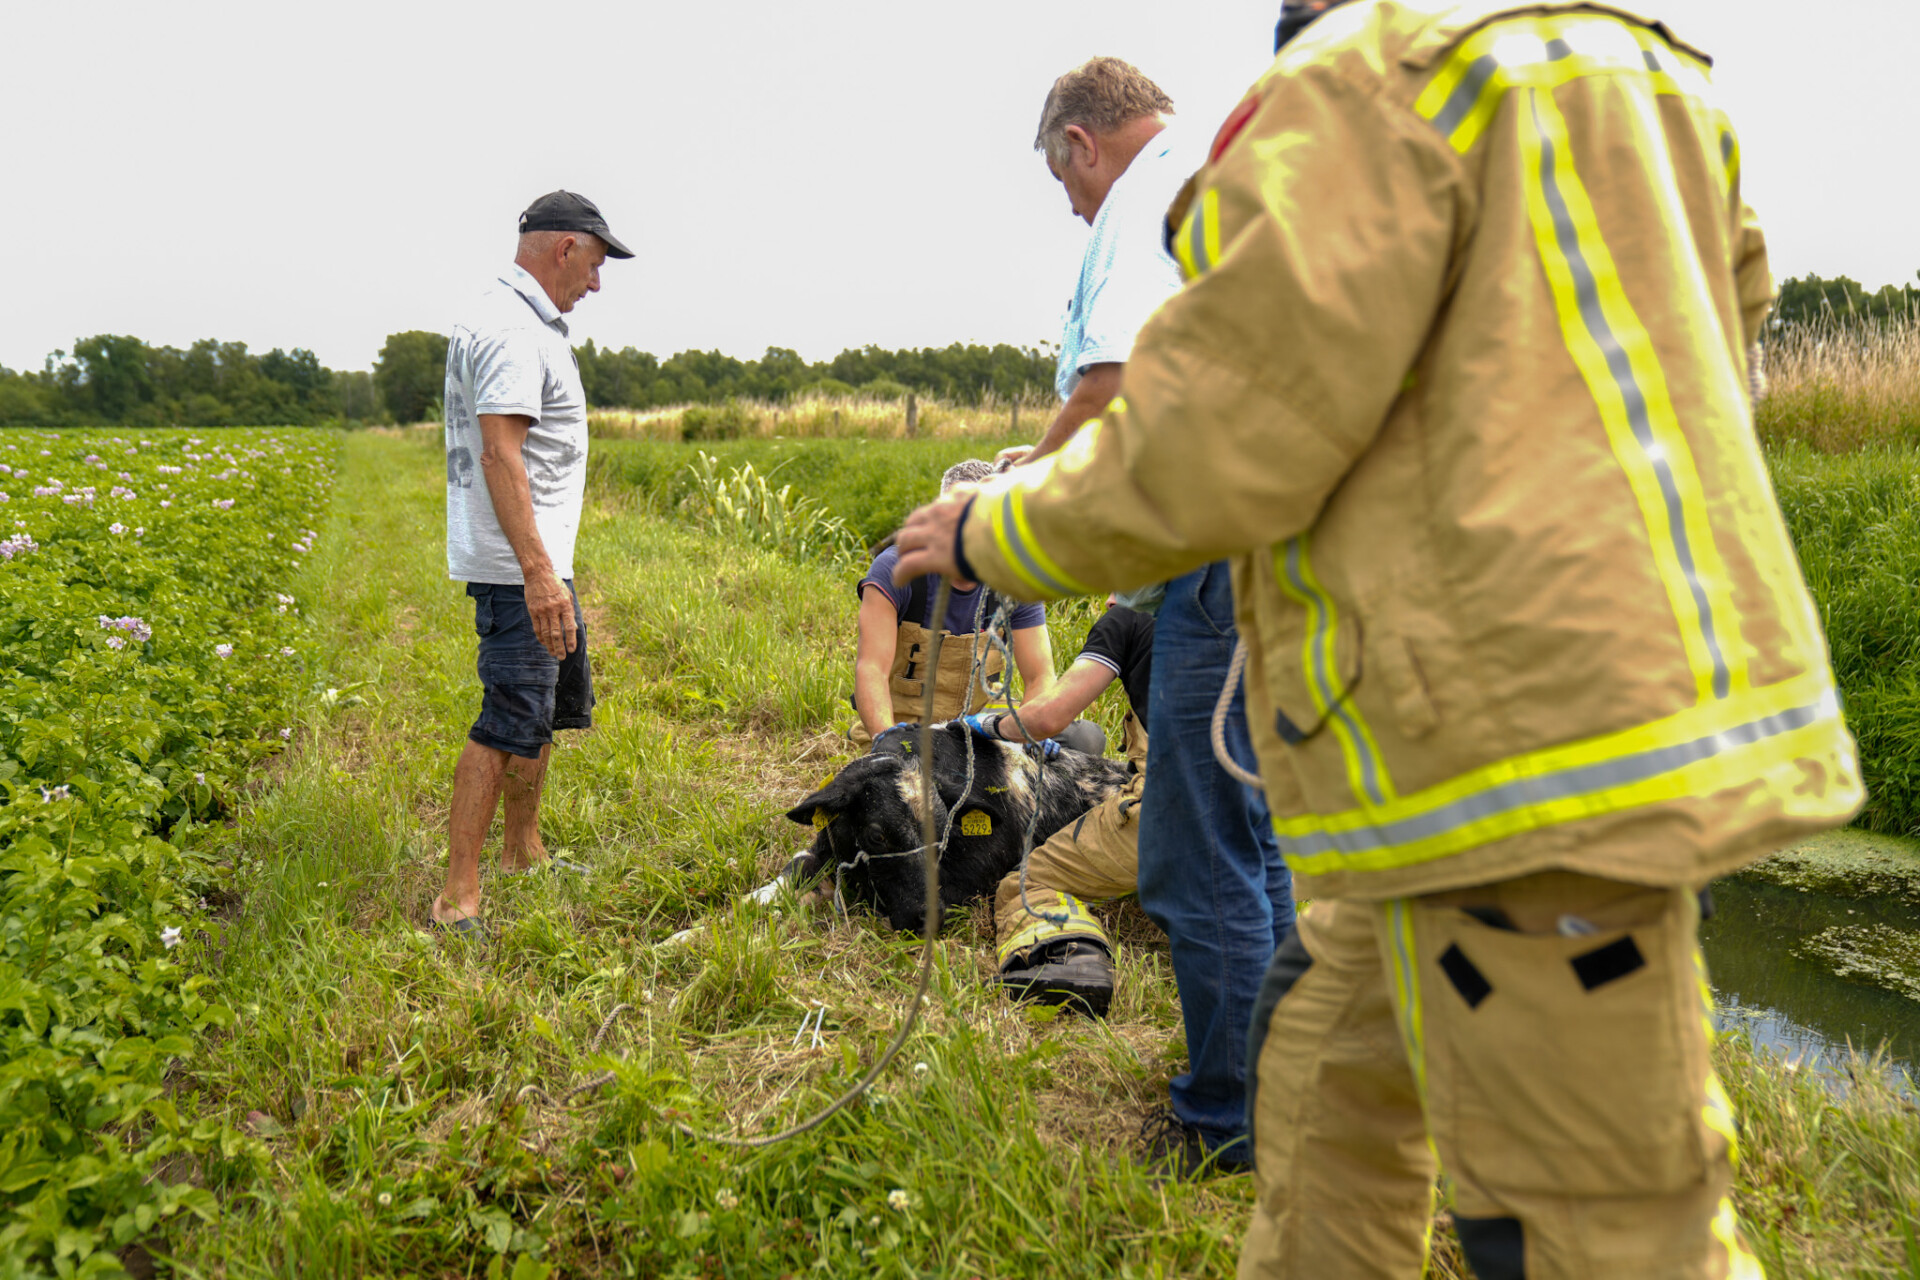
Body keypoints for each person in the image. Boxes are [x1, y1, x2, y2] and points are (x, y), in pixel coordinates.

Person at [893, 2, 1863, 1274]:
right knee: (1330, 1094)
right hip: (1579, 708)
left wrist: (988, 532)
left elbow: (1227, 434)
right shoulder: (1635, 77)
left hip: (1492, 750)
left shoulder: (1351, 90)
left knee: (1597, 1217)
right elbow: (1725, 325)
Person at [1006, 55, 1296, 1178]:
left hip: (1218, 569)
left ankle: (1227, 1121)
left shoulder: (1143, 203)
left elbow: (1110, 387)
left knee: (1193, 856)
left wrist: (1013, 497)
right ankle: (1274, 1092)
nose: (1071, 206)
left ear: (1083, 142)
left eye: (1062, 183)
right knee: (1257, 844)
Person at [431, 191, 632, 935]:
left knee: (542, 709)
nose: (598, 283)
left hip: (538, 559)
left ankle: (524, 852)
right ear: (565, 248)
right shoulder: (514, 330)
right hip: (523, 567)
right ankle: (458, 898)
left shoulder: (519, 319)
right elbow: (500, 453)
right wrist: (539, 575)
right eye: (597, 263)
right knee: (507, 719)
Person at [968, 599, 1154, 1019]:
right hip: (1274, 810)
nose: (1109, 597)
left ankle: (1075, 964)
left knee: (1027, 885)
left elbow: (1050, 715)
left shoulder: (1127, 618)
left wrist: (985, 725)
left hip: (1175, 805)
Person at [852, 460, 1064, 748]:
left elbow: (1040, 675)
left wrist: (1030, 735)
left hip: (979, 727)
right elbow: (871, 668)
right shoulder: (896, 571)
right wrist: (884, 737)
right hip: (906, 727)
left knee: (1082, 737)